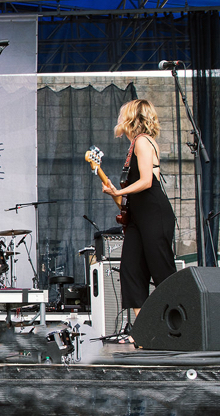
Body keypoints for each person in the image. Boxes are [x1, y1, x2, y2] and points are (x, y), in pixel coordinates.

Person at [101, 99, 176, 323]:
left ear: (132, 117)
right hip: (138, 217)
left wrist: (118, 191)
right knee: (131, 271)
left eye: (124, 113)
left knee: (161, 270)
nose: (120, 117)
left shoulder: (143, 142)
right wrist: (118, 194)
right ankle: (144, 329)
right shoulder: (135, 144)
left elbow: (146, 181)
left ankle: (177, 323)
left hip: (154, 213)